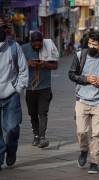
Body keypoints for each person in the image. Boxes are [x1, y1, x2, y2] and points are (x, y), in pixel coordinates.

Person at [68, 30, 99, 174]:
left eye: (94, 44)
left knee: (96, 135)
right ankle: (84, 150)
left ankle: (94, 162)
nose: (91, 46)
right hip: (81, 100)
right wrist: (85, 79)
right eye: (89, 43)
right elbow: (71, 74)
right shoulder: (80, 55)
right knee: (81, 132)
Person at [0, 17, 29, 170]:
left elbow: (23, 70)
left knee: (12, 128)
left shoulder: (14, 47)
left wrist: (17, 88)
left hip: (11, 95)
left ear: (6, 29)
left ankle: (11, 150)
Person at [22, 31, 59, 148]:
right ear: (30, 42)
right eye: (35, 43)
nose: (38, 45)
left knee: (43, 112)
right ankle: (36, 136)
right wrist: (27, 63)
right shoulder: (23, 49)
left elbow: (55, 66)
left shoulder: (48, 48)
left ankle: (42, 137)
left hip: (45, 87)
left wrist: (44, 64)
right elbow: (17, 66)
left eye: (40, 42)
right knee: (32, 113)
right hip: (30, 87)